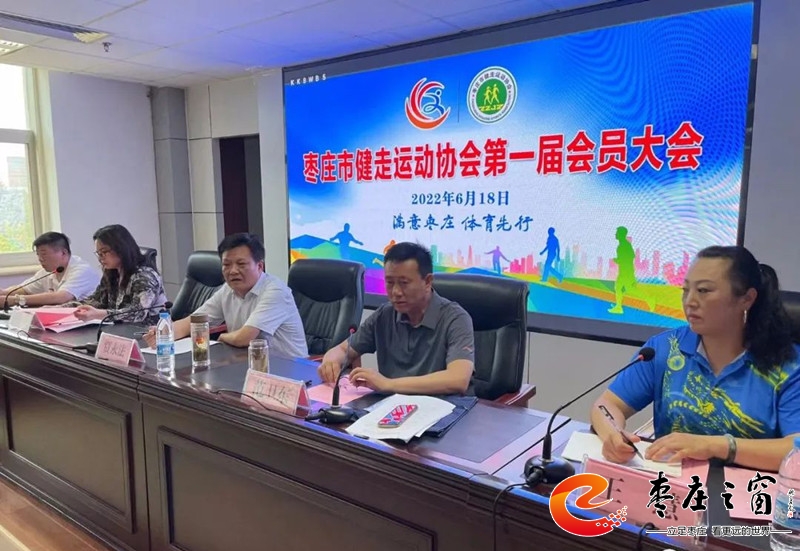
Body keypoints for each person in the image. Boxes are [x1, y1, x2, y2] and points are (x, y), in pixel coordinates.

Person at [591, 246, 800, 472]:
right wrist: (613, 434)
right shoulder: (666, 348)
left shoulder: (788, 365)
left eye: (703, 290)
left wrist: (716, 446)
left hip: (752, 490)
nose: (689, 301)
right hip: (671, 485)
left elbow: (796, 449)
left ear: (747, 299)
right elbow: (608, 404)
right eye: (686, 290)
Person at [318, 242, 474, 395]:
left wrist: (388, 384)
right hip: (390, 405)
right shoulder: (385, 314)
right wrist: (330, 361)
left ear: (427, 281)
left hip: (440, 407)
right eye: (390, 283)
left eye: (404, 283)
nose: (396, 292)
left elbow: (458, 379)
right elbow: (343, 350)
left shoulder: (455, 318)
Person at [145, 233, 307, 357]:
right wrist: (164, 333)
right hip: (248, 364)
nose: (233, 271)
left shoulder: (275, 291)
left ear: (260, 266)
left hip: (291, 371)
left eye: (241, 264)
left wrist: (223, 337)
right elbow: (194, 321)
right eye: (226, 265)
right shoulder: (227, 290)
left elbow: (245, 337)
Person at [74, 225, 167, 325]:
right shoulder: (112, 272)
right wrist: (67, 308)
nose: (100, 258)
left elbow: (137, 313)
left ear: (121, 249)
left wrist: (98, 314)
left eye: (104, 252)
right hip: (119, 329)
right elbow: (96, 300)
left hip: (149, 330)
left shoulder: (145, 276)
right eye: (98, 253)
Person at [0, 232, 99, 307]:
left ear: (63, 253)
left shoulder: (82, 270)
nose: (40, 259)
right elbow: (24, 290)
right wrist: (4, 293)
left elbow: (61, 297)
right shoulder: (48, 271)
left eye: (44, 254)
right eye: (38, 254)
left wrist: (15, 300)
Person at [608, 226, 654, 314]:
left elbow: (630, 257)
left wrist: (617, 260)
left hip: (626, 272)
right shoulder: (623, 244)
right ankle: (618, 306)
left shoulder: (624, 245)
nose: (615, 234)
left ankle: (649, 299)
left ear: (621, 234)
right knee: (620, 288)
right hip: (625, 271)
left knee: (624, 288)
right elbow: (631, 256)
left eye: (617, 233)